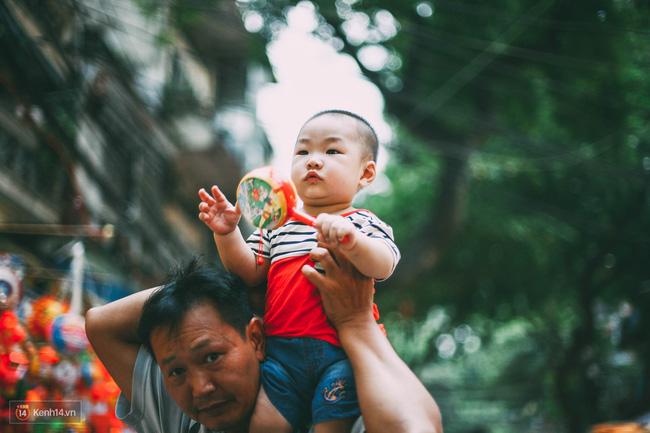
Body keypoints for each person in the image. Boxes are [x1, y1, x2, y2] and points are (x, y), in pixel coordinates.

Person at [85, 248, 442, 433]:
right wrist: (248, 286)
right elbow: (100, 324)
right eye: (176, 372)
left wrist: (358, 324)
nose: (200, 388)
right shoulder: (184, 421)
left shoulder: (335, 408)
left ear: (256, 338)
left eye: (211, 357)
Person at [197, 110, 400, 433]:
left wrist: (353, 242)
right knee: (264, 426)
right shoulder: (276, 226)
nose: (313, 161)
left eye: (331, 151)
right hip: (281, 357)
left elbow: (384, 263)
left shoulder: (362, 223)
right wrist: (227, 234)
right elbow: (249, 272)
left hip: (342, 354)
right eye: (303, 152)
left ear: (366, 173)